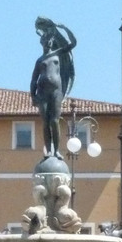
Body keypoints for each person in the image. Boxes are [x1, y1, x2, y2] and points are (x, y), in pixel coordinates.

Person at [30, 16, 77, 158]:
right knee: (45, 122)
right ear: (42, 43)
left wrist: (64, 28)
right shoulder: (39, 61)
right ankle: (48, 150)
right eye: (45, 41)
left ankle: (56, 150)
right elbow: (33, 80)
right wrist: (33, 96)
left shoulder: (58, 54)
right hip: (42, 93)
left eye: (50, 41)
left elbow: (73, 43)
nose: (48, 43)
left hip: (56, 92)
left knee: (54, 121)